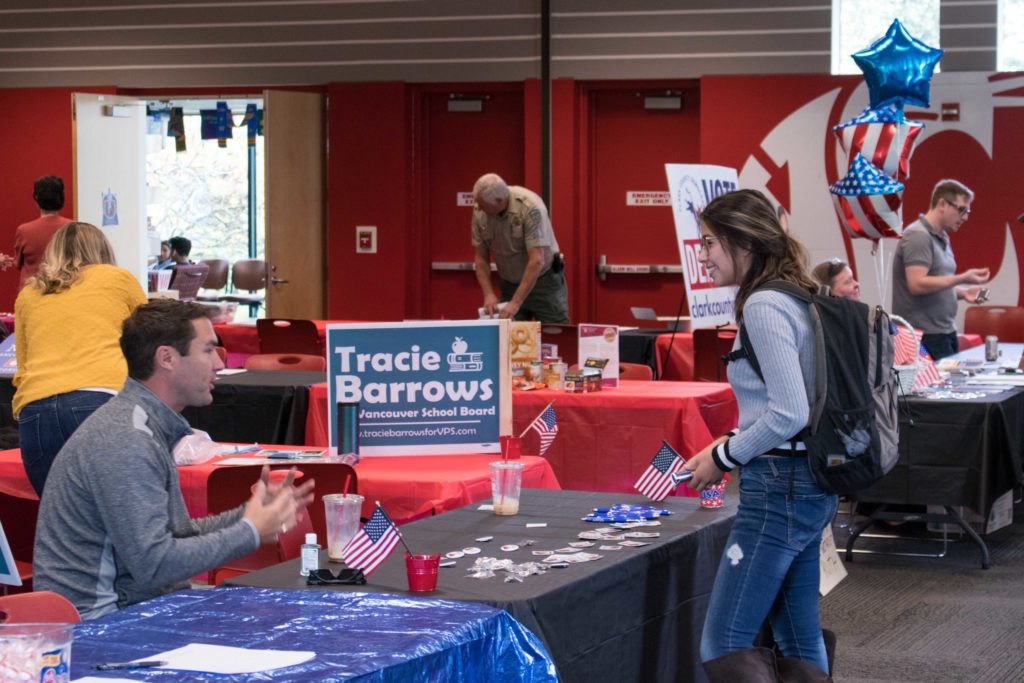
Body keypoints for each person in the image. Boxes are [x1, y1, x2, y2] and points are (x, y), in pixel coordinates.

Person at [33, 299, 315, 619]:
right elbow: (155, 565)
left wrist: (247, 516)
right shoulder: (126, 439)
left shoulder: (140, 425)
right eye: (208, 350)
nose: (219, 364)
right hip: (99, 627)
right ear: (167, 358)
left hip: (128, 609)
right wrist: (249, 530)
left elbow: (173, 536)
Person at [683, 189, 837, 680]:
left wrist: (725, 456)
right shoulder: (795, 294)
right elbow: (782, 403)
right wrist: (730, 442)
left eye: (709, 243)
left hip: (780, 488)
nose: (702, 256)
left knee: (724, 640)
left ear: (743, 242)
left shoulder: (766, 305)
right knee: (797, 633)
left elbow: (789, 411)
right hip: (807, 483)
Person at [13, 222, 148, 496]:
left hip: (35, 412)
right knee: (120, 517)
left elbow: (23, 366)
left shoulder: (28, 294)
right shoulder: (118, 279)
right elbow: (150, 338)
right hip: (101, 397)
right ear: (102, 249)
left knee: (60, 521)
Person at [891, 179, 990, 361]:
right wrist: (961, 278)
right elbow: (917, 284)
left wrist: (962, 293)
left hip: (943, 332)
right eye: (961, 209)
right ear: (942, 204)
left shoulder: (941, 236)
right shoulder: (918, 236)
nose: (965, 217)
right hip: (923, 336)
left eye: (967, 211)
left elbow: (936, 282)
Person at [471, 173, 569, 322]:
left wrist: (516, 303)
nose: (478, 208)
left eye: (483, 205)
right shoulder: (480, 211)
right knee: (507, 337)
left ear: (499, 200)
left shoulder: (530, 208)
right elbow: (481, 257)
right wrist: (488, 294)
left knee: (554, 335)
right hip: (509, 284)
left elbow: (537, 260)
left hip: (544, 283)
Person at [14, 176, 73, 287]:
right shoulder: (73, 228)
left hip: (32, 292)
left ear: (36, 198)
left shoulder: (23, 230)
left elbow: (17, 263)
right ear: (61, 197)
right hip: (64, 290)